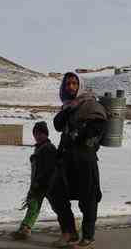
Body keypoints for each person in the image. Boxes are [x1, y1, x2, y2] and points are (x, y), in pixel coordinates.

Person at [47, 72, 107, 248]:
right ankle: (70, 232)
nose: (71, 87)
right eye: (68, 84)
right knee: (56, 193)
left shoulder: (90, 103)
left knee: (87, 198)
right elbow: (58, 125)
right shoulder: (67, 106)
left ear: (80, 85)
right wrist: (69, 109)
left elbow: (99, 125)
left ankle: (88, 236)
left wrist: (81, 132)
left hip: (84, 158)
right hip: (65, 159)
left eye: (74, 83)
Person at [11, 121, 57, 240]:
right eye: (35, 134)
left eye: (40, 133)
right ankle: (25, 228)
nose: (37, 136)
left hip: (48, 184)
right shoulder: (39, 148)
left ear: (45, 134)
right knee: (33, 205)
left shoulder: (48, 148)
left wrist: (40, 182)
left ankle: (71, 228)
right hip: (39, 183)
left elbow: (49, 169)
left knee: (58, 208)